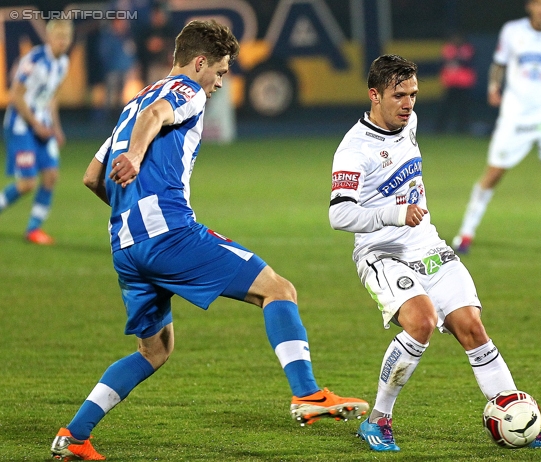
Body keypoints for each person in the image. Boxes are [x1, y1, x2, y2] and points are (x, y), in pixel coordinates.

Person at [50, 19, 368, 461]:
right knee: (278, 290)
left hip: (126, 247)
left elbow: (91, 177)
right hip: (169, 236)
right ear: (198, 63)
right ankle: (307, 394)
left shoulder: (130, 103)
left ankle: (75, 436)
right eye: (219, 72)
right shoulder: (185, 91)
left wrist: (134, 209)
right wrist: (138, 158)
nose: (220, 83)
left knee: (154, 351)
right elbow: (155, 117)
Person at [329, 54, 541, 452]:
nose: (408, 104)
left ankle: (516, 417)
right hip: (380, 253)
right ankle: (377, 420)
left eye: (413, 95)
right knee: (421, 321)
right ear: (374, 95)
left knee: (472, 327)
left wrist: (410, 215)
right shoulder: (353, 150)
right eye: (398, 95)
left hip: (427, 244)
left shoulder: (410, 124)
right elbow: (339, 214)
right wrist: (394, 212)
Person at [452, 0, 541, 255]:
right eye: (538, 4)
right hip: (515, 116)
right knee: (494, 173)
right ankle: (465, 233)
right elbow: (499, 64)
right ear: (529, 6)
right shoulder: (513, 31)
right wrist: (492, 88)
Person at [0, 19, 73, 245]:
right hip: (21, 125)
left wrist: (56, 128)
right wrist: (36, 124)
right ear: (49, 38)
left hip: (42, 125)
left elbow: (51, 99)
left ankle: (33, 229)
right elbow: (16, 95)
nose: (63, 42)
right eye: (59, 38)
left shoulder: (63, 63)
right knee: (27, 183)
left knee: (51, 176)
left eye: (66, 38)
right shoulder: (33, 59)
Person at [436, 32, 477, 133]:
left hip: (464, 83)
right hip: (451, 83)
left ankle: (462, 129)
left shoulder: (467, 48)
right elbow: (445, 61)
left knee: (463, 108)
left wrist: (457, 61)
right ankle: (440, 128)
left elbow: (468, 61)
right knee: (446, 107)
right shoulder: (449, 48)